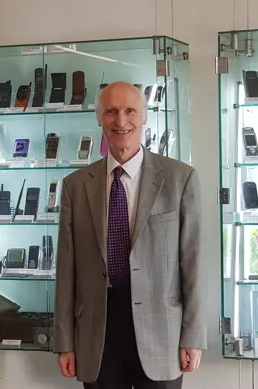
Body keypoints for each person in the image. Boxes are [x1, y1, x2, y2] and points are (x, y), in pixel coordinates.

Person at [53, 81, 206, 389]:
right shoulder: (76, 185)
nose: (120, 121)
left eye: (129, 111)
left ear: (144, 116)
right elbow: (66, 270)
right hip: (98, 333)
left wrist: (193, 336)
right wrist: (64, 342)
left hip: (162, 333)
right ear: (98, 117)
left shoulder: (180, 179)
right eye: (110, 112)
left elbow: (194, 264)